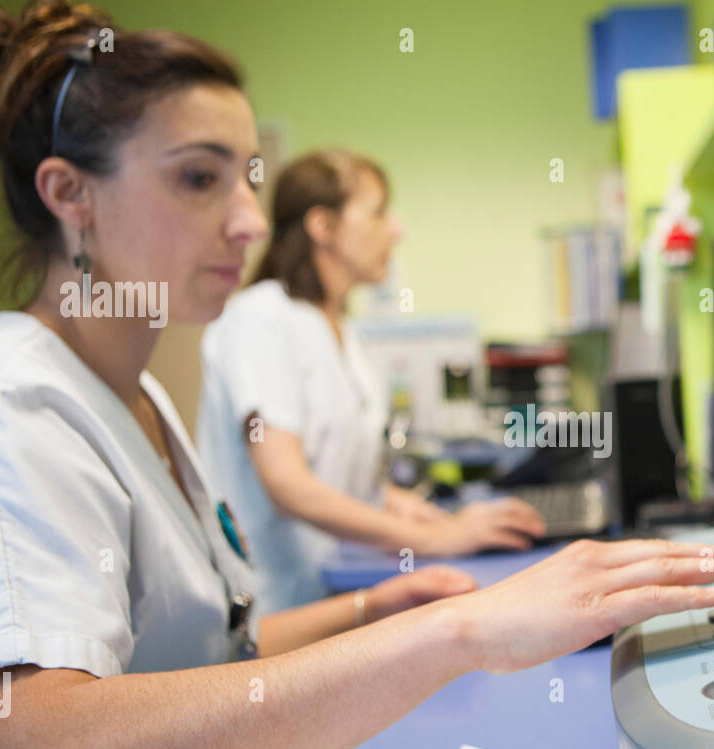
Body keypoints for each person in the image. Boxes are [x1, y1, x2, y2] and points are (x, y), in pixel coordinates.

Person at [0, 0, 714, 749]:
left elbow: (204, 654)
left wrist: (370, 607)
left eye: (245, 178)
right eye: (200, 178)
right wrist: (456, 635)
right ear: (69, 194)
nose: (246, 220)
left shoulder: (139, 402)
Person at [198, 150, 545, 613]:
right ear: (323, 226)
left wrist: (414, 510)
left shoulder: (341, 330)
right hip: (271, 612)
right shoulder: (261, 319)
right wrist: (436, 538)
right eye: (379, 212)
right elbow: (288, 485)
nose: (396, 228)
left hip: (328, 593)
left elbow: (339, 476)